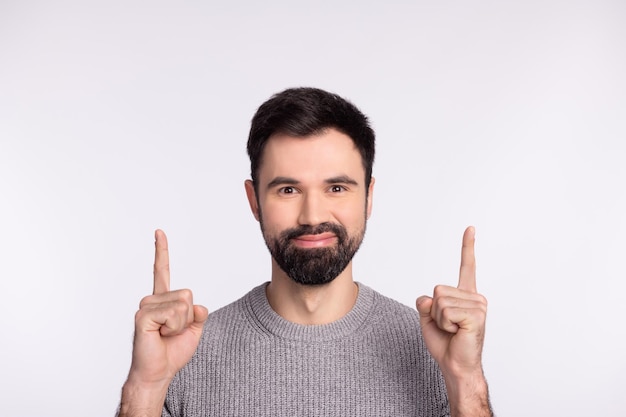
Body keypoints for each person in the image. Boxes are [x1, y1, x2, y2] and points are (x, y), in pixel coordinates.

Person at [117, 87, 493, 417]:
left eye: (337, 188)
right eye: (288, 190)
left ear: (369, 197)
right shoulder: (183, 353)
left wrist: (465, 379)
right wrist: (146, 387)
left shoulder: (436, 352)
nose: (313, 216)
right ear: (254, 201)